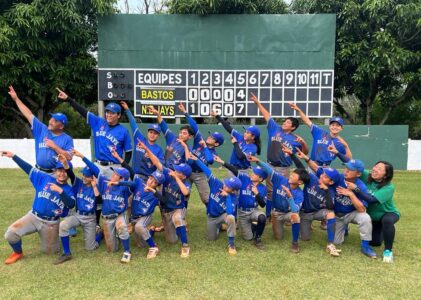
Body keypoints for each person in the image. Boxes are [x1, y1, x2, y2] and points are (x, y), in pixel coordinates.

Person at [297, 147, 377, 258]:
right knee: (337, 242)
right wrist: (306, 158)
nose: (346, 171)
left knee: (365, 218)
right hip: (338, 216)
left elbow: (362, 209)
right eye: (346, 168)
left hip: (351, 214)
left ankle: (365, 246)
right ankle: (344, 228)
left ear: (358, 174)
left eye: (350, 170)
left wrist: (351, 194)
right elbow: (318, 170)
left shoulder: (360, 187)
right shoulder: (338, 177)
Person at [1, 151, 75, 264]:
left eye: (65, 171)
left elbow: (71, 204)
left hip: (51, 223)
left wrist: (60, 191)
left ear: (68, 174)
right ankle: (18, 252)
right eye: (60, 170)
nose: (62, 173)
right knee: (10, 234)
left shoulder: (69, 189)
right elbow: (29, 169)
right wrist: (14, 157)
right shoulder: (44, 178)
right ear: (55, 171)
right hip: (33, 217)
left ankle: (49, 239)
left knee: (50, 252)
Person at [331, 148, 400, 262]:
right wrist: (337, 153)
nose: (375, 169)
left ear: (386, 175)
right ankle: (346, 226)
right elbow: (352, 164)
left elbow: (371, 200)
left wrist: (356, 189)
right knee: (374, 242)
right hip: (371, 215)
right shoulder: (368, 176)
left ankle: (388, 251)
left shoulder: (388, 187)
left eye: (379, 169)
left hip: (386, 213)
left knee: (385, 225)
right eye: (375, 166)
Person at [249, 93, 308, 219]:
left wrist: (303, 143)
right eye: (285, 121)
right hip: (270, 165)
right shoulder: (274, 128)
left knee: (283, 190)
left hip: (283, 168)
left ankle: (286, 212)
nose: (284, 123)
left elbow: (304, 153)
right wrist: (257, 103)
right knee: (271, 191)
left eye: (287, 123)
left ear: (292, 127)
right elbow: (267, 115)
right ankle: (269, 214)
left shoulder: (294, 139)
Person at [72, 149, 133, 263]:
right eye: (114, 173)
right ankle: (107, 234)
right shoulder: (105, 182)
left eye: (116, 174)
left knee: (121, 227)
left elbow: (134, 182)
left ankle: (127, 251)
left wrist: (120, 183)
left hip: (119, 214)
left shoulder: (125, 188)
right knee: (112, 249)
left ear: (121, 178)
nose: (113, 175)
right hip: (107, 217)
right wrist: (82, 156)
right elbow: (95, 169)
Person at [56, 88, 132, 177]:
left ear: (118, 115)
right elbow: (83, 112)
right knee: (91, 185)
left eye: (112, 113)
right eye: (107, 112)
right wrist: (69, 99)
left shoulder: (123, 131)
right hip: (98, 165)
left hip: (114, 167)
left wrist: (123, 169)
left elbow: (128, 152)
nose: (108, 115)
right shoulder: (98, 122)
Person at [282, 146, 341, 256]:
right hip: (305, 212)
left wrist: (327, 191)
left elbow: (330, 206)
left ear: (331, 182)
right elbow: (302, 170)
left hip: (317, 212)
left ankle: (330, 244)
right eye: (323, 173)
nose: (322, 175)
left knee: (331, 214)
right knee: (305, 238)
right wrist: (292, 155)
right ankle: (307, 226)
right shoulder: (313, 179)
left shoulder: (331, 190)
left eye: (326, 176)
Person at [137, 141, 193, 258]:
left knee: (177, 218)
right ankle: (159, 229)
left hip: (178, 209)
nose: (175, 170)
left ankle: (185, 245)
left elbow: (185, 192)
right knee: (171, 240)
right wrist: (147, 149)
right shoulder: (168, 174)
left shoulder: (186, 183)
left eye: (178, 171)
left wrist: (177, 178)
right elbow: (157, 162)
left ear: (183, 176)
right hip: (166, 210)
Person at [248, 155, 310, 253]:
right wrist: (258, 161)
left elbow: (295, 210)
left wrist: (290, 196)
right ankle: (271, 222)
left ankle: (295, 243)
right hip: (276, 213)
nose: (291, 176)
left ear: (300, 182)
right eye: (292, 174)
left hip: (288, 213)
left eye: (293, 176)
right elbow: (269, 170)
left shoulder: (299, 194)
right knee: (278, 237)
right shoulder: (281, 180)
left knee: (295, 217)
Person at [8, 86, 73, 173]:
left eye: (55, 121)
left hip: (55, 174)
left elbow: (69, 157)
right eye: (51, 118)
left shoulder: (67, 139)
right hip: (39, 172)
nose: (51, 121)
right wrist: (16, 99)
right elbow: (28, 114)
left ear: (61, 126)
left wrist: (55, 147)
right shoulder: (42, 129)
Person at [188, 154, 242, 255]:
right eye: (226, 183)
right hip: (211, 217)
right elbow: (208, 172)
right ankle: (219, 227)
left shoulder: (234, 198)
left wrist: (227, 197)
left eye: (228, 186)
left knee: (230, 218)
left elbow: (230, 212)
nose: (225, 185)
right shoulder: (217, 184)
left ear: (233, 190)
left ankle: (231, 244)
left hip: (222, 216)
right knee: (211, 239)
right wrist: (197, 160)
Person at [54, 155, 104, 264]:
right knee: (63, 225)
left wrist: (95, 187)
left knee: (90, 248)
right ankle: (67, 253)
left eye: (87, 176)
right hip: (77, 215)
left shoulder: (97, 187)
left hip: (90, 218)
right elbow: (70, 174)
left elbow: (100, 202)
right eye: (83, 174)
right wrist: (65, 164)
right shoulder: (78, 184)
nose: (84, 177)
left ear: (92, 177)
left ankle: (100, 234)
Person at [213, 155, 268, 250]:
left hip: (254, 210)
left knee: (262, 217)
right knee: (248, 238)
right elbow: (234, 170)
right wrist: (223, 162)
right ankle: (253, 226)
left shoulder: (263, 188)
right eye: (253, 172)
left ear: (260, 179)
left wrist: (257, 194)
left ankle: (258, 238)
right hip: (242, 213)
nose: (252, 174)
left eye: (255, 174)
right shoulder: (245, 179)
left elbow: (263, 204)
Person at [178, 103, 224, 205]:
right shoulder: (200, 139)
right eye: (210, 136)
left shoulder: (213, 152)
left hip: (200, 174)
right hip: (188, 171)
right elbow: (194, 126)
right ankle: (182, 216)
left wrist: (205, 147)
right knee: (184, 194)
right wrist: (185, 112)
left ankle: (212, 215)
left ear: (216, 143)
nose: (209, 137)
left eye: (212, 138)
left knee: (206, 199)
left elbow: (210, 161)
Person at [114, 168, 165, 259]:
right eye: (150, 179)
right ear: (148, 177)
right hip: (134, 217)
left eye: (154, 182)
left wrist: (153, 191)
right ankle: (151, 231)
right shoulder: (140, 183)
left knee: (139, 227)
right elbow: (131, 182)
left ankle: (153, 247)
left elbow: (164, 200)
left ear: (157, 185)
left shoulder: (156, 194)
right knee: (141, 244)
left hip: (145, 216)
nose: (150, 182)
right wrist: (119, 183)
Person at [288, 102, 352, 167]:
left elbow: (348, 159)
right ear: (329, 126)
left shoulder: (340, 142)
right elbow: (307, 121)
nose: (334, 127)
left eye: (338, 125)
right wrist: (298, 110)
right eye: (333, 125)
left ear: (341, 128)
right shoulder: (320, 132)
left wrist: (346, 146)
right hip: (312, 164)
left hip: (325, 167)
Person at [120, 101, 164, 181]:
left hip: (148, 179)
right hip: (134, 175)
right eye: (151, 132)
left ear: (158, 136)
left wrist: (151, 157)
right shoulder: (140, 139)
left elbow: (160, 166)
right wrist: (127, 110)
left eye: (155, 133)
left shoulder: (158, 150)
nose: (152, 135)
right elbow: (133, 124)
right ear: (147, 133)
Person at [210, 111, 261, 175]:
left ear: (253, 136)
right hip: (232, 168)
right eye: (245, 131)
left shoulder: (253, 147)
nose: (245, 133)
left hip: (242, 171)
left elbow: (241, 156)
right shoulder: (241, 137)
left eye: (248, 133)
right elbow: (229, 128)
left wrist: (235, 143)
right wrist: (217, 116)